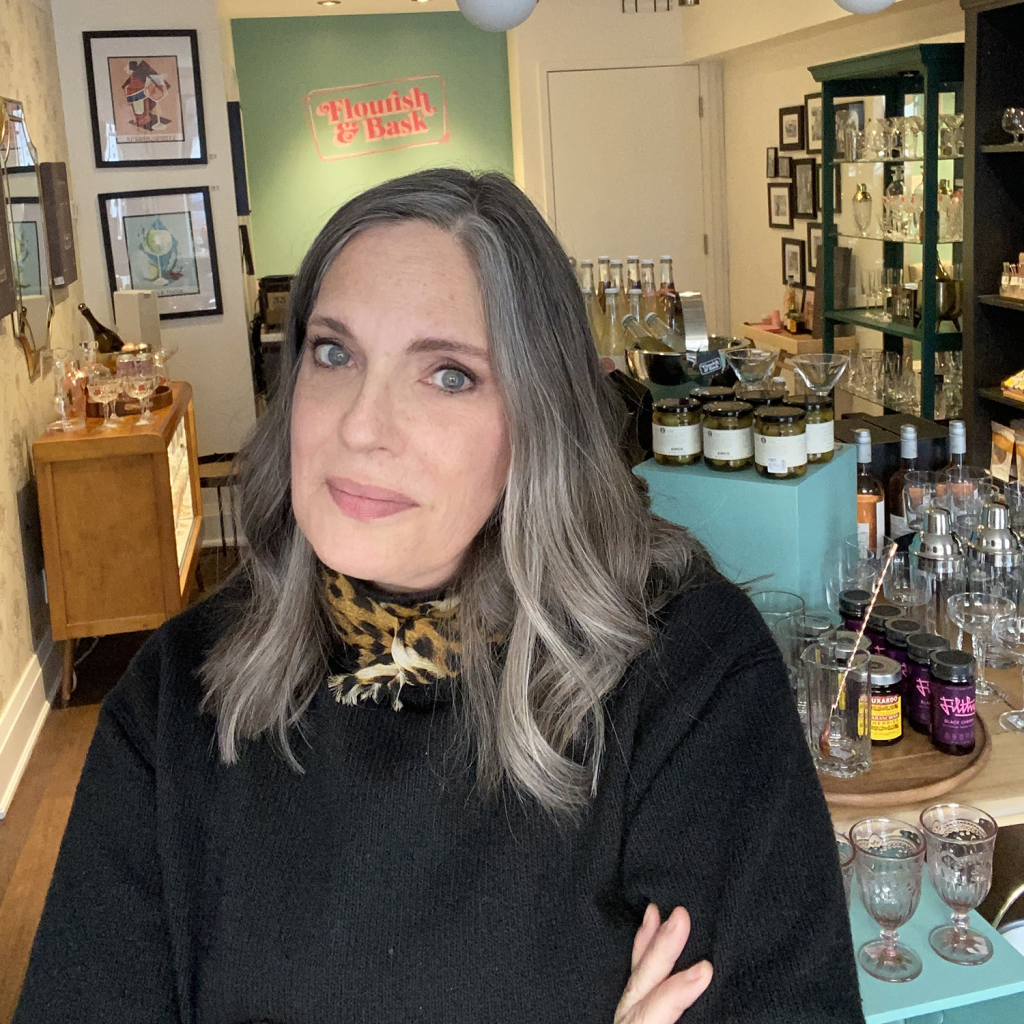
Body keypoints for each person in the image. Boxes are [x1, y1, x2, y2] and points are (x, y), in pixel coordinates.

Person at [14, 169, 863, 1024]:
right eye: (334, 352)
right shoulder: (178, 693)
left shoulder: (688, 678)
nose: (360, 426)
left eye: (449, 374)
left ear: (540, 419)